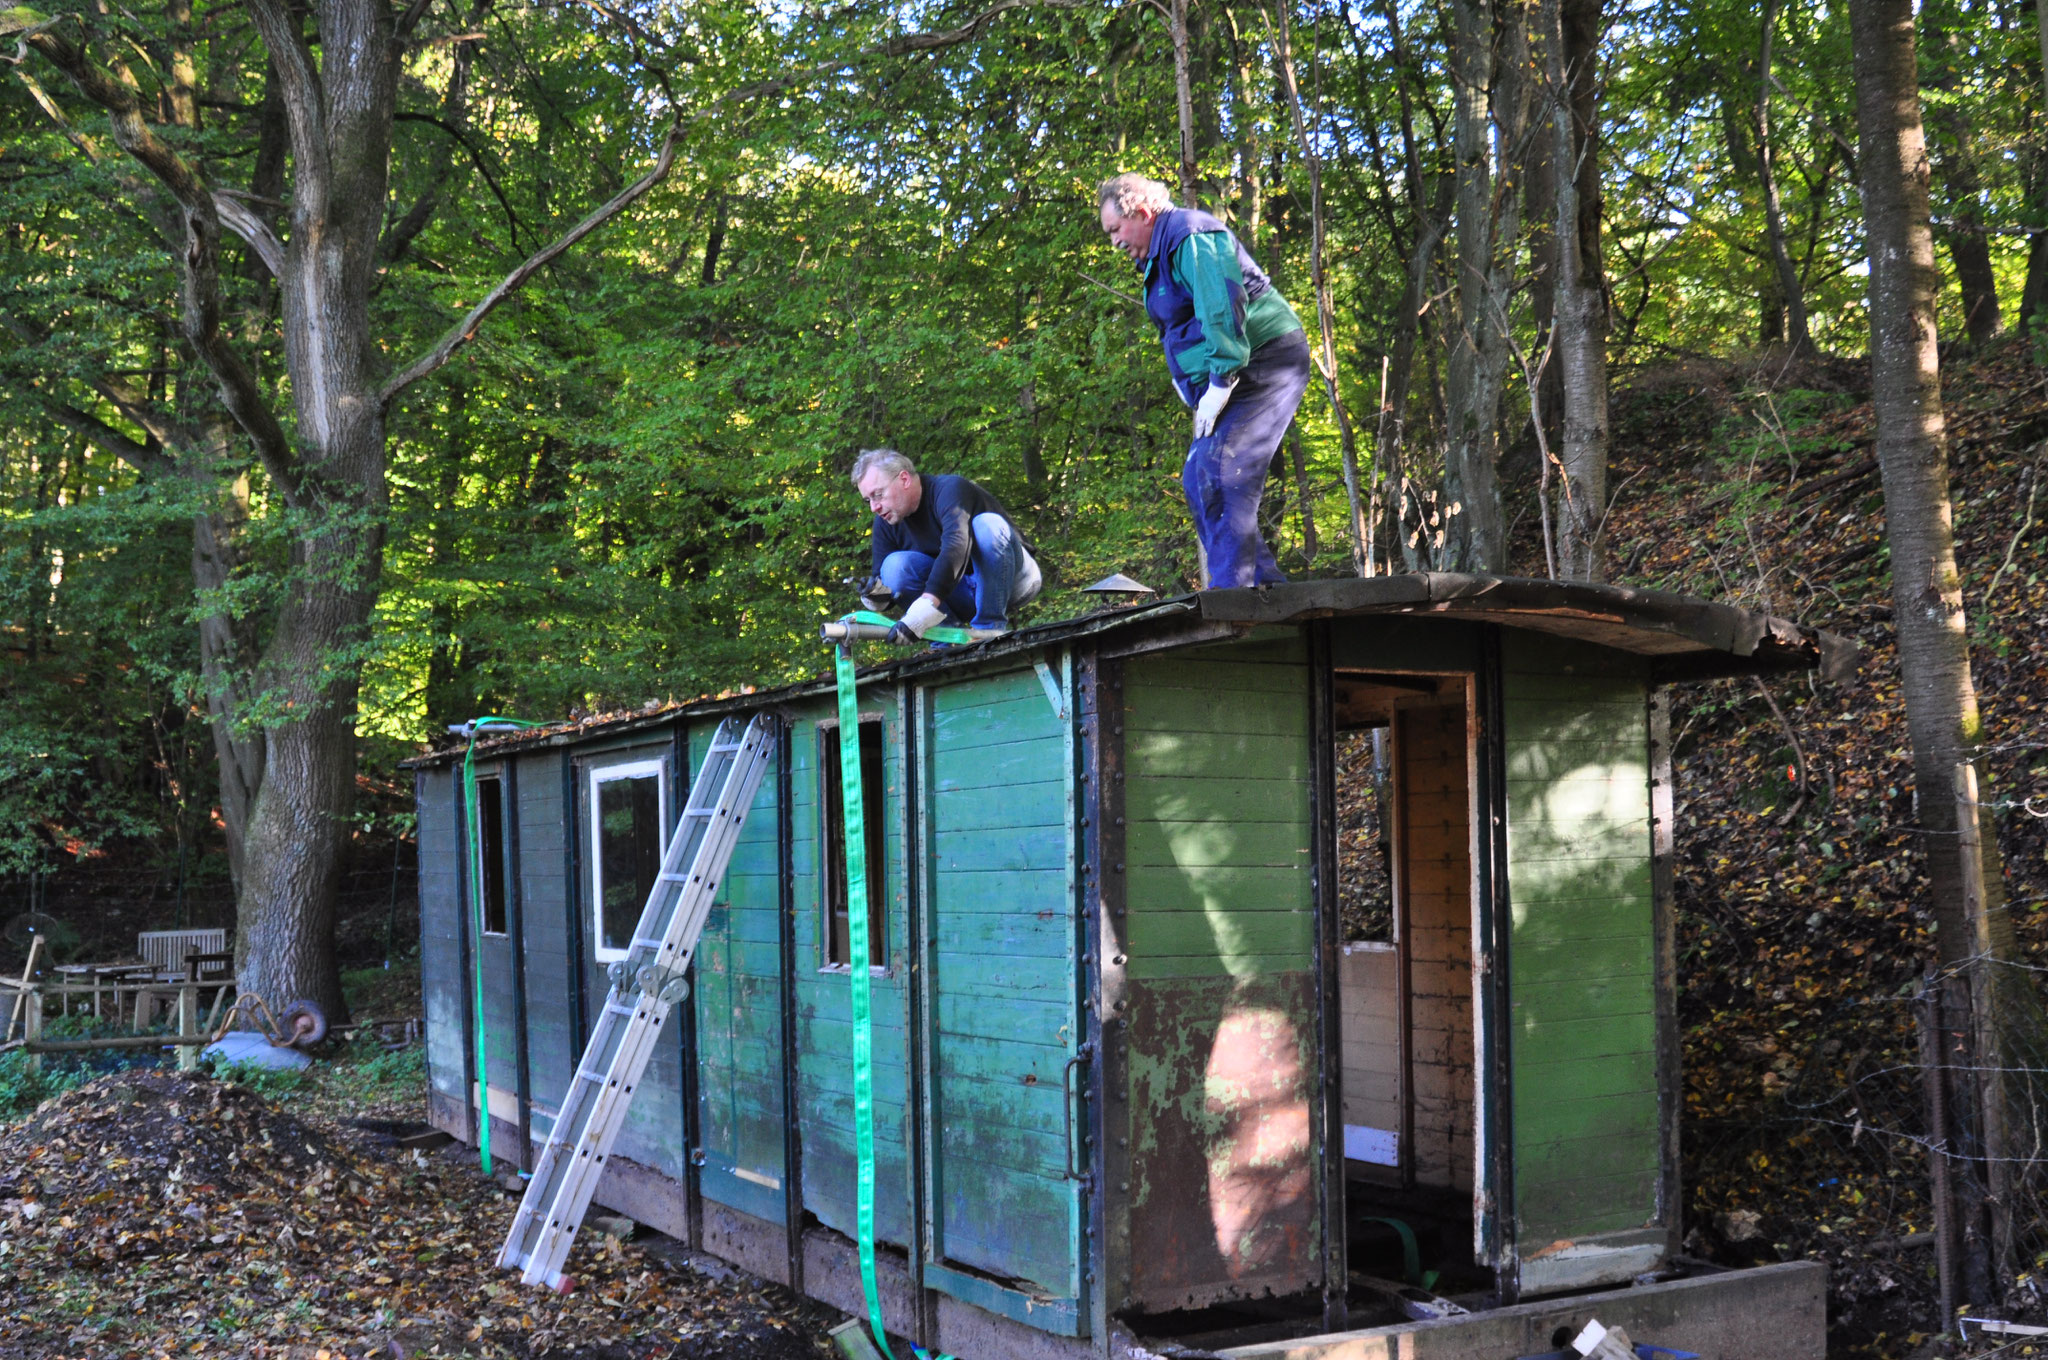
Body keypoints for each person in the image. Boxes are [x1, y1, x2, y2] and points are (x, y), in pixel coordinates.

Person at [1097, 172, 1311, 589]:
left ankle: (1234, 595)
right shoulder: (1157, 258)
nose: (1114, 242)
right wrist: (1189, 383)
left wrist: (1220, 379)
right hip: (1228, 373)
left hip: (1264, 360)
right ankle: (1268, 590)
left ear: (1141, 212)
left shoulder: (1190, 234)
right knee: (1198, 478)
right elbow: (1176, 327)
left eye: (1115, 229)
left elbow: (1220, 305)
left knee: (1222, 471)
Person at [851, 448, 1042, 643]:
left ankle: (987, 630)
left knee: (987, 525)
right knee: (893, 567)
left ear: (904, 479)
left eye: (878, 494)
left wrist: (922, 611)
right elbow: (885, 583)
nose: (874, 507)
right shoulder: (885, 521)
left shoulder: (950, 489)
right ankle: (945, 640)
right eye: (868, 500)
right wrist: (875, 596)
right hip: (959, 594)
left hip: (1015, 581)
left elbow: (956, 546)